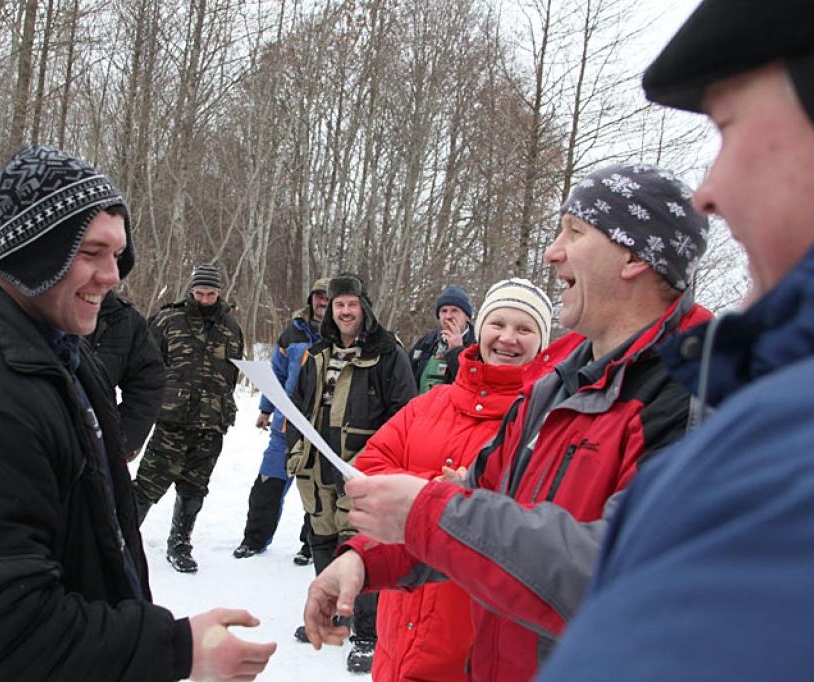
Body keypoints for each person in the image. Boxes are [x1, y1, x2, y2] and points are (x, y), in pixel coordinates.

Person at [0, 145, 276, 681]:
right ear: (34, 252)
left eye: (117, 254)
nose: (112, 276)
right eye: (91, 253)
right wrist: (175, 649)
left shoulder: (55, 355)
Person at [536, 4, 814, 681]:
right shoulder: (560, 382)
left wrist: (434, 515)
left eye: (727, 128)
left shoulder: (754, 424)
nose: (706, 193)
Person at [303, 163, 713, 681]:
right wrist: (365, 560)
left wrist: (425, 510)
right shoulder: (557, 387)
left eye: (575, 232)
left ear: (633, 256)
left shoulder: (697, 391)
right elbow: (482, 500)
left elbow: (628, 572)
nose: (552, 251)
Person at [356, 278, 553, 682]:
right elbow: (369, 467)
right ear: (480, 330)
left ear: (542, 343)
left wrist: (452, 504)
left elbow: (543, 521)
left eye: (525, 328)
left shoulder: (544, 423)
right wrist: (440, 494)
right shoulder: (430, 403)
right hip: (397, 623)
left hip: (470, 639)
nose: (508, 338)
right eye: (498, 323)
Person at [287, 272, 417, 674]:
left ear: (364, 308)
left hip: (360, 467)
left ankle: (365, 633)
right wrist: (294, 446)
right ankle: (329, 612)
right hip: (315, 465)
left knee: (359, 546)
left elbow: (405, 412)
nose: (344, 311)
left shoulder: (387, 352)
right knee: (322, 538)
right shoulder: (318, 352)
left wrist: (380, 459)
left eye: (351, 304)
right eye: (338, 304)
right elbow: (298, 403)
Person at [134, 263, 244, 573]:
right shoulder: (169, 319)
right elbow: (144, 366)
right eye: (199, 293)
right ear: (190, 291)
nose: (205, 299)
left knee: (195, 488)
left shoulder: (231, 326)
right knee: (146, 486)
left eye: (210, 293)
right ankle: (121, 539)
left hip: (211, 424)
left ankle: (180, 544)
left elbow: (232, 374)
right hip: (172, 420)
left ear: (219, 292)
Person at [233, 278, 328, 562]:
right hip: (285, 426)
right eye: (319, 296)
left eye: (328, 297)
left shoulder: (341, 335)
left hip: (320, 428)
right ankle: (254, 540)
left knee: (318, 491)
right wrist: (265, 409)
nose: (323, 302)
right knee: (267, 485)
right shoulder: (292, 334)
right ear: (311, 299)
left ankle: (311, 546)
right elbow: (277, 375)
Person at [85, 291, 163, 458]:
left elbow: (148, 382)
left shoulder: (125, 318)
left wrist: (122, 438)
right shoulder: (30, 306)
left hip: (94, 448)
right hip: (30, 446)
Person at [408, 284, 475, 393]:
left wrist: (457, 351)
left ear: (467, 316)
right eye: (444, 311)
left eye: (455, 310)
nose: (448, 316)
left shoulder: (478, 346)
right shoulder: (426, 342)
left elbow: (474, 386)